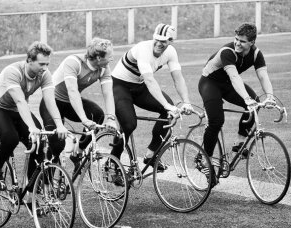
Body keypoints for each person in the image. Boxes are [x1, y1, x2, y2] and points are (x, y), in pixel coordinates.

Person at [0, 41, 68, 191]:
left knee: (39, 144)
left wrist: (59, 124)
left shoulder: (44, 74)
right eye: (41, 64)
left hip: (18, 110)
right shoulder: (13, 71)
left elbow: (50, 101)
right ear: (29, 60)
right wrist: (31, 126)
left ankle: (31, 190)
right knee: (11, 139)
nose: (45, 68)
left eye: (47, 64)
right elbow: (19, 101)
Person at [110, 23, 193, 169]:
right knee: (129, 125)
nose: (159, 43)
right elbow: (149, 80)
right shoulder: (143, 49)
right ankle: (113, 162)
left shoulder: (171, 52)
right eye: (157, 39)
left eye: (164, 41)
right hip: (120, 85)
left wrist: (186, 101)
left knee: (168, 112)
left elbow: (178, 78)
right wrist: (167, 106)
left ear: (171, 41)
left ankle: (150, 155)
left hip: (139, 86)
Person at [198, 23, 275, 161]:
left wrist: (270, 97)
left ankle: (239, 143)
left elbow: (263, 76)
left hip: (227, 83)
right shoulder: (227, 51)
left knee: (255, 104)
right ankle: (205, 159)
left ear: (252, 42)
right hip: (210, 83)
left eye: (242, 41)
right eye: (236, 39)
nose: (237, 43)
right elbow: (234, 76)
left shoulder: (256, 54)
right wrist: (246, 98)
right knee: (216, 121)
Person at [39, 38, 118, 165]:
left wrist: (111, 118)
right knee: (58, 144)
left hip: (69, 103)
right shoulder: (74, 62)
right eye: (110, 56)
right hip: (52, 102)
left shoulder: (104, 68)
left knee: (98, 115)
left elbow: (108, 93)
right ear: (98, 57)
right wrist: (84, 119)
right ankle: (47, 176)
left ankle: (78, 152)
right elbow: (72, 91)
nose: (112, 59)